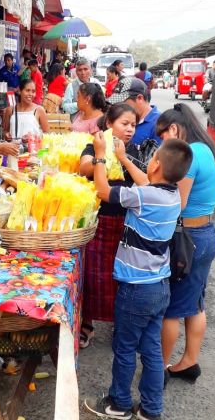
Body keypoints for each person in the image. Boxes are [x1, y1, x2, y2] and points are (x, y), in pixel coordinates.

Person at [85, 135, 193, 420]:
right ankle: (151, 409)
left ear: (155, 164)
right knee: (152, 351)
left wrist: (99, 155)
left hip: (136, 290)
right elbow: (146, 180)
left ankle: (118, 404)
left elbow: (103, 190)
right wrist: (122, 158)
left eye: (152, 158)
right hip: (159, 288)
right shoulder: (171, 198)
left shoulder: (143, 197)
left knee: (124, 348)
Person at [155, 103, 215, 385]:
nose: (163, 145)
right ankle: (189, 362)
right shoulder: (212, 150)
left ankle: (158, 370)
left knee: (171, 308)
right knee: (195, 303)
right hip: (206, 233)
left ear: (174, 129)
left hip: (188, 239)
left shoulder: (191, 154)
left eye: (163, 138)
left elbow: (178, 203)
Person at [79, 104, 144, 348]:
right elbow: (84, 167)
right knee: (92, 276)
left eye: (133, 125)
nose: (129, 129)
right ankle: (87, 322)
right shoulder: (94, 145)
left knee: (121, 277)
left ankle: (120, 322)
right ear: (109, 124)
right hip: (99, 222)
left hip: (126, 223)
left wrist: (123, 159)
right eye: (124, 123)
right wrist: (102, 153)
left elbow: (145, 182)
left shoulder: (133, 150)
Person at [108, 77, 161, 146]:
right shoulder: (119, 117)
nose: (118, 107)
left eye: (123, 103)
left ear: (139, 98)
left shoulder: (160, 123)